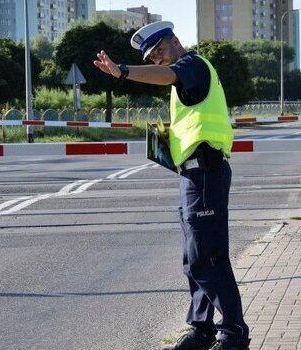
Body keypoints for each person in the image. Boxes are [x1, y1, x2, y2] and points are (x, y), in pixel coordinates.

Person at [94, 21, 250, 350]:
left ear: (175, 41)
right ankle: (202, 329)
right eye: (151, 58)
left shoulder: (191, 65)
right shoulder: (184, 79)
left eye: (159, 51)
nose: (158, 60)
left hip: (206, 174)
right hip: (193, 176)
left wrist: (122, 71)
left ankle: (234, 334)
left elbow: (169, 75)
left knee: (208, 258)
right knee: (193, 258)